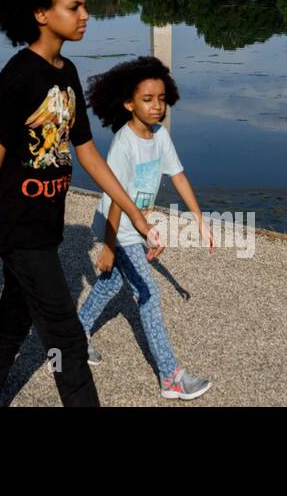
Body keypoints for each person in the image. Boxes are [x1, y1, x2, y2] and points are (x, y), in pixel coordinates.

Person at [0, 0, 161, 406]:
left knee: (12, 326)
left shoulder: (68, 74)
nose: (85, 15)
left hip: (46, 228)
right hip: (19, 232)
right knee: (68, 341)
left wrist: (135, 215)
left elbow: (89, 154)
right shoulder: (17, 77)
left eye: (84, 5)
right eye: (74, 7)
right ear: (40, 14)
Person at [78, 55, 213, 400]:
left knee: (109, 286)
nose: (157, 107)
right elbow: (112, 200)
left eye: (162, 99)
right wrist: (109, 247)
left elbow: (178, 176)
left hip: (134, 227)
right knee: (148, 295)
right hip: (116, 226)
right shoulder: (123, 145)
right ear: (128, 103)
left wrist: (199, 218)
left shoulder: (160, 136)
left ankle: (75, 336)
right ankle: (171, 377)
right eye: (147, 100)